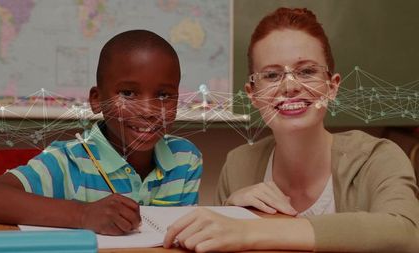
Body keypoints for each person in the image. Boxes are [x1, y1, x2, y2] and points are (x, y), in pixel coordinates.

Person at [163, 8, 419, 252]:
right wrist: (230, 212)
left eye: (306, 71)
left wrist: (249, 231)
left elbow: (406, 234)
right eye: (272, 75)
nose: (290, 87)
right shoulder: (238, 165)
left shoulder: (378, 158)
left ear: (332, 86)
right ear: (253, 94)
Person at [0, 30, 203, 236]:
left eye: (163, 95)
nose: (149, 111)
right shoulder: (68, 161)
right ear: (96, 101)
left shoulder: (185, 159)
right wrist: (83, 214)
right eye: (128, 93)